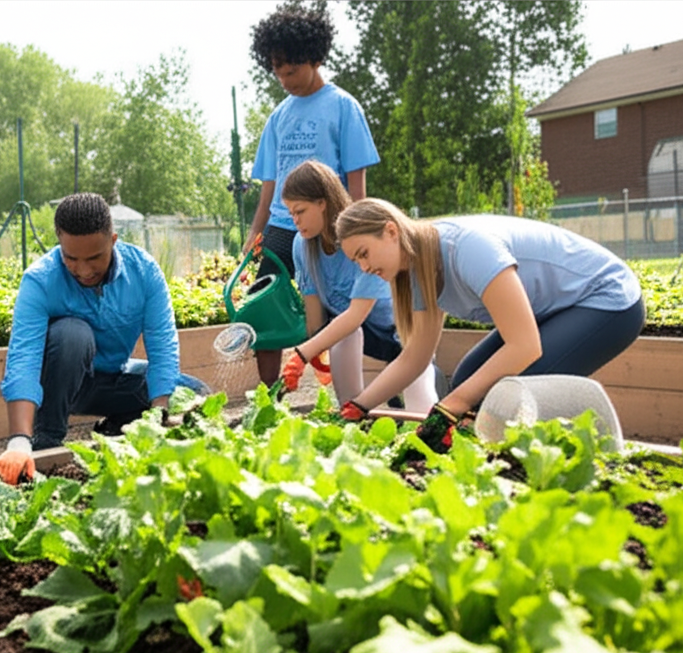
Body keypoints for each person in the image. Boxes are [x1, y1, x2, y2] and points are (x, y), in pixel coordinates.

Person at [335, 197, 646, 451]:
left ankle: (575, 456)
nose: (364, 268)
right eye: (356, 262)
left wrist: (452, 406)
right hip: (556, 310)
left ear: (391, 232)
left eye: (364, 254)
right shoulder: (417, 271)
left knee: (494, 397)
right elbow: (415, 357)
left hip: (608, 300)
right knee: (468, 381)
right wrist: (359, 406)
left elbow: (524, 347)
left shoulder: (467, 249)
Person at [0, 193, 207, 485]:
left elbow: (163, 346)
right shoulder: (40, 281)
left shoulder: (143, 272)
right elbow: (23, 359)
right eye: (71, 258)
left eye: (95, 258)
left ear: (113, 240)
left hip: (112, 380)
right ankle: (46, 442)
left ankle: (121, 426)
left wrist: (159, 418)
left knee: (192, 392)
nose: (83, 270)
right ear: (59, 243)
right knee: (72, 335)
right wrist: (19, 440)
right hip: (58, 385)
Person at [244, 5, 380, 387]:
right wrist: (255, 236)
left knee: (342, 312)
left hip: (330, 228)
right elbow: (268, 186)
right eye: (277, 71)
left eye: (291, 71)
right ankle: (268, 397)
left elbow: (357, 186)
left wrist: (357, 233)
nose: (284, 79)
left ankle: (359, 392)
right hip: (281, 228)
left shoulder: (343, 107)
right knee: (262, 309)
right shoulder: (278, 117)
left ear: (316, 58)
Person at [277, 161, 438, 414]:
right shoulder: (302, 245)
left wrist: (302, 354)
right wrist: (316, 354)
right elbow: (316, 315)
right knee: (344, 335)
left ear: (323, 203)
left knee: (420, 413)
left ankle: (424, 382)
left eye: (300, 211)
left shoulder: (361, 239)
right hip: (351, 332)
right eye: (291, 214)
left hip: (396, 333)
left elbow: (355, 315)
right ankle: (350, 415)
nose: (295, 220)